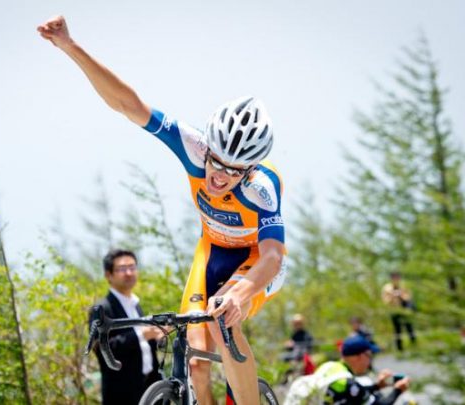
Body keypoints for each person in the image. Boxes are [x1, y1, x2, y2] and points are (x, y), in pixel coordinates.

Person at [38, 15, 287, 405]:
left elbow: (273, 255)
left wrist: (242, 294)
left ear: (250, 170)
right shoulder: (193, 147)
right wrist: (71, 47)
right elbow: (127, 104)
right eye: (216, 162)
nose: (219, 177)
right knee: (195, 360)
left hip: (254, 263)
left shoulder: (262, 188)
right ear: (208, 146)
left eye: (233, 171)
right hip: (211, 253)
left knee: (223, 317)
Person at [89, 249, 164, 405]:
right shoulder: (102, 308)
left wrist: (159, 336)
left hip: (149, 387)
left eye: (132, 267)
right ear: (108, 275)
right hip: (121, 392)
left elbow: (142, 348)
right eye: (122, 269)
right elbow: (102, 349)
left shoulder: (135, 305)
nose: (129, 273)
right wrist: (141, 335)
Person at [292, 335, 410, 404]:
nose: (370, 361)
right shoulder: (347, 383)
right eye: (369, 356)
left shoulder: (330, 366)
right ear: (359, 357)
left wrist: (377, 386)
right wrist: (398, 390)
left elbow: (353, 394)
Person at [381, 272, 416, 351]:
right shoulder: (387, 288)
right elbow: (385, 301)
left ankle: (414, 344)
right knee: (397, 329)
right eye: (394, 277)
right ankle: (399, 348)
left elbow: (409, 297)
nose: (396, 279)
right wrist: (392, 296)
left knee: (409, 327)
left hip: (404, 309)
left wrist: (401, 295)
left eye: (397, 277)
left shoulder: (404, 286)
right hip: (394, 310)